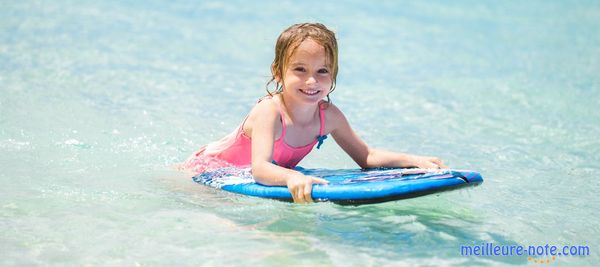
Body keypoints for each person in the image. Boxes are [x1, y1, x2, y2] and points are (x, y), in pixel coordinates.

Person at [181, 23, 447, 203]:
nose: (312, 81)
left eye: (322, 71)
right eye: (300, 70)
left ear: (333, 75)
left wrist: (413, 160)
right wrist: (292, 176)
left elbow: (366, 156)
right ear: (278, 71)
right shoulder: (269, 112)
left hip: (240, 175)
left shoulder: (328, 116)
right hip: (206, 171)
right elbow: (260, 169)